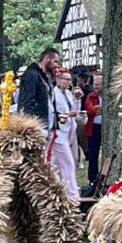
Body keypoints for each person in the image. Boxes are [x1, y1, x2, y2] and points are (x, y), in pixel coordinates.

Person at [48, 68, 82, 200]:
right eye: (66, 79)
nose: (69, 82)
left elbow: (74, 111)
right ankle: (71, 195)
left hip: (70, 132)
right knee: (65, 163)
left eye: (70, 80)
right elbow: (55, 115)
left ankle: (61, 190)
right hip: (58, 134)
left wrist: (77, 100)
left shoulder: (68, 93)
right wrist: (67, 115)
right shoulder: (53, 94)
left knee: (64, 163)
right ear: (58, 80)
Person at [14, 48, 58, 129]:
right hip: (37, 127)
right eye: (55, 61)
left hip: (45, 126)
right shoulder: (31, 75)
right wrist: (31, 127)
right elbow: (26, 102)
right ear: (47, 59)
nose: (56, 65)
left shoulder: (44, 77)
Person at [80, 77, 103, 194]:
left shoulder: (107, 96)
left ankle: (104, 176)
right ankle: (92, 179)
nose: (96, 87)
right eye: (95, 84)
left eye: (98, 85)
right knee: (93, 155)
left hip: (104, 128)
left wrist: (99, 109)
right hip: (93, 128)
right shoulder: (91, 96)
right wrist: (98, 109)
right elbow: (89, 110)